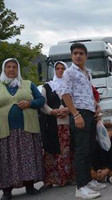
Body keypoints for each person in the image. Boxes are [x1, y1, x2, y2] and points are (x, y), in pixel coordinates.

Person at [58, 43, 105, 200]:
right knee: (81, 150)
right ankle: (80, 187)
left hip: (90, 112)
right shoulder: (69, 73)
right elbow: (65, 94)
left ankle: (88, 181)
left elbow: (89, 93)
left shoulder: (87, 73)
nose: (78, 56)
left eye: (81, 53)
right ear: (71, 56)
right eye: (75, 53)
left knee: (90, 149)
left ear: (86, 56)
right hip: (79, 113)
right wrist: (75, 115)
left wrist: (96, 106)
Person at [0, 58, 45, 200]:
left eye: (14, 67)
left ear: (18, 69)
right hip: (5, 131)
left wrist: (30, 103)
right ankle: (7, 190)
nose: (12, 69)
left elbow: (41, 100)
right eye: (8, 67)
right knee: (7, 160)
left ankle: (29, 185)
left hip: (27, 129)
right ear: (4, 69)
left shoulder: (27, 84)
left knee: (28, 157)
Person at [39, 61, 74, 191]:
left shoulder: (70, 85)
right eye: (58, 68)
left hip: (67, 124)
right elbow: (43, 103)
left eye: (63, 68)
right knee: (52, 151)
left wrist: (68, 109)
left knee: (67, 151)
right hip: (53, 123)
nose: (60, 71)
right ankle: (52, 179)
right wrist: (52, 112)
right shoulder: (48, 86)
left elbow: (76, 101)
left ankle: (66, 177)